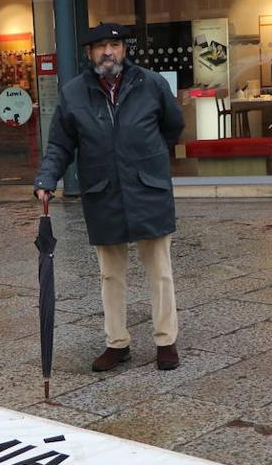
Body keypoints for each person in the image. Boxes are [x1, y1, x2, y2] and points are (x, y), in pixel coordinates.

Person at [34, 22, 185, 372]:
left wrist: (151, 156)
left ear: (124, 51)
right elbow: (60, 143)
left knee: (160, 272)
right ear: (89, 53)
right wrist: (46, 177)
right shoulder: (74, 93)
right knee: (110, 275)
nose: (108, 52)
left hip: (149, 189)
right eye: (100, 46)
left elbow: (172, 125)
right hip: (103, 192)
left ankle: (166, 341)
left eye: (114, 46)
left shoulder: (151, 84)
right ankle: (117, 343)